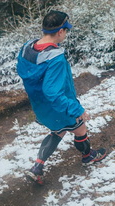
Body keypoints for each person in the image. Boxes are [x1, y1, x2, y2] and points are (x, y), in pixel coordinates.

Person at [17, 10, 106, 185]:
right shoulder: (55, 58)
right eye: (66, 30)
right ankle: (88, 156)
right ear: (60, 31)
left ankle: (37, 167)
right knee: (80, 129)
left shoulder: (27, 48)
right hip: (59, 106)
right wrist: (76, 109)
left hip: (41, 106)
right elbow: (52, 92)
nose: (66, 34)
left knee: (58, 131)